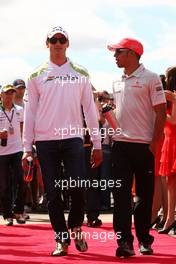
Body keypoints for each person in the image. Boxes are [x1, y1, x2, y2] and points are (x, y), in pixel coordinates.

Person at [22, 26, 102, 256]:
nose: (57, 43)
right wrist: (27, 149)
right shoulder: (35, 75)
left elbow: (89, 110)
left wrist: (97, 144)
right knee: (53, 194)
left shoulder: (81, 73)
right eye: (53, 39)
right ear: (46, 43)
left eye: (62, 39)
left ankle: (76, 227)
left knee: (78, 188)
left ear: (68, 43)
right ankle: (61, 239)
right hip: (46, 142)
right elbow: (30, 113)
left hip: (73, 139)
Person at [107, 38, 166, 257]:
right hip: (120, 146)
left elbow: (160, 112)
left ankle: (144, 239)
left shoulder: (151, 78)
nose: (115, 56)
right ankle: (124, 243)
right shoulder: (116, 81)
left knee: (144, 195)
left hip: (144, 147)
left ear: (131, 53)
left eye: (118, 52)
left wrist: (154, 143)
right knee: (120, 196)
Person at [0, 84, 25, 226]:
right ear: (1, 95)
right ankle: (7, 214)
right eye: (7, 93)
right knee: (4, 186)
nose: (9, 95)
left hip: (17, 150)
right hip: (1, 152)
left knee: (21, 181)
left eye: (11, 93)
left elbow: (24, 129)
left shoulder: (20, 110)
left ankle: (18, 211)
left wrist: (27, 146)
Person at [158, 66, 176, 234]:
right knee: (170, 183)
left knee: (171, 183)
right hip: (169, 142)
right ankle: (169, 218)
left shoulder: (171, 97)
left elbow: (174, 121)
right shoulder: (167, 97)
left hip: (172, 141)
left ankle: (170, 218)